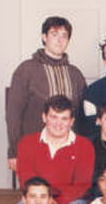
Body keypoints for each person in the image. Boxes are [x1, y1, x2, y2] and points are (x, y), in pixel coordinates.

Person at [6, 16, 86, 171]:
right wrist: (14, 151)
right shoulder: (26, 70)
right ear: (44, 37)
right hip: (34, 152)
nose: (59, 40)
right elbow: (13, 115)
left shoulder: (75, 74)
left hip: (69, 153)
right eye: (54, 34)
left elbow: (82, 117)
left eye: (64, 36)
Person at [15, 94, 94, 204]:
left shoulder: (84, 146)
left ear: (71, 122)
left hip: (71, 201)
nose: (58, 124)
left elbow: (82, 185)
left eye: (64, 119)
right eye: (54, 117)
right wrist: (44, 199)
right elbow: (26, 179)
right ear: (44, 117)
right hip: (37, 197)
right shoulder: (26, 143)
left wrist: (58, 202)